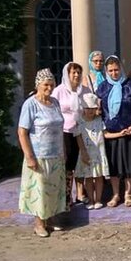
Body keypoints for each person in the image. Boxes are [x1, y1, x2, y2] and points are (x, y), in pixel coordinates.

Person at [18, 68, 66, 238]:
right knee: (40, 190)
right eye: (46, 84)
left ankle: (51, 220)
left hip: (56, 155)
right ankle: (39, 224)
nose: (49, 88)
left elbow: (61, 128)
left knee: (53, 189)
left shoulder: (55, 102)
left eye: (52, 84)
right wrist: (29, 156)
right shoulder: (30, 104)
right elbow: (22, 131)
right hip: (39, 155)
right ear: (38, 85)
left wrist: (63, 151)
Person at [96, 55, 131, 207]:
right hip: (111, 133)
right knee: (114, 165)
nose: (114, 73)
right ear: (106, 71)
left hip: (130, 130)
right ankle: (116, 194)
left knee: (129, 164)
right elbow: (97, 109)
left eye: (116, 70)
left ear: (121, 69)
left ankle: (128, 193)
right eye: (111, 71)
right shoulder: (102, 87)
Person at [52, 62, 92, 206]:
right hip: (64, 132)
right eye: (73, 72)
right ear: (67, 74)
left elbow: (93, 107)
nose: (76, 75)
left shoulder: (85, 91)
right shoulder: (59, 91)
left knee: (78, 164)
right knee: (66, 165)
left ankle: (80, 194)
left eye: (79, 72)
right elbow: (53, 110)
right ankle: (64, 198)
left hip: (82, 132)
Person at [73, 93, 109, 210]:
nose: (90, 111)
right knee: (88, 177)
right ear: (83, 109)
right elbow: (78, 136)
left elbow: (105, 134)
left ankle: (98, 199)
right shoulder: (80, 121)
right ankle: (91, 199)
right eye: (87, 108)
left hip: (98, 153)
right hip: (86, 153)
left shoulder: (99, 120)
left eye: (92, 109)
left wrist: (121, 133)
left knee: (98, 177)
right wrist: (83, 152)